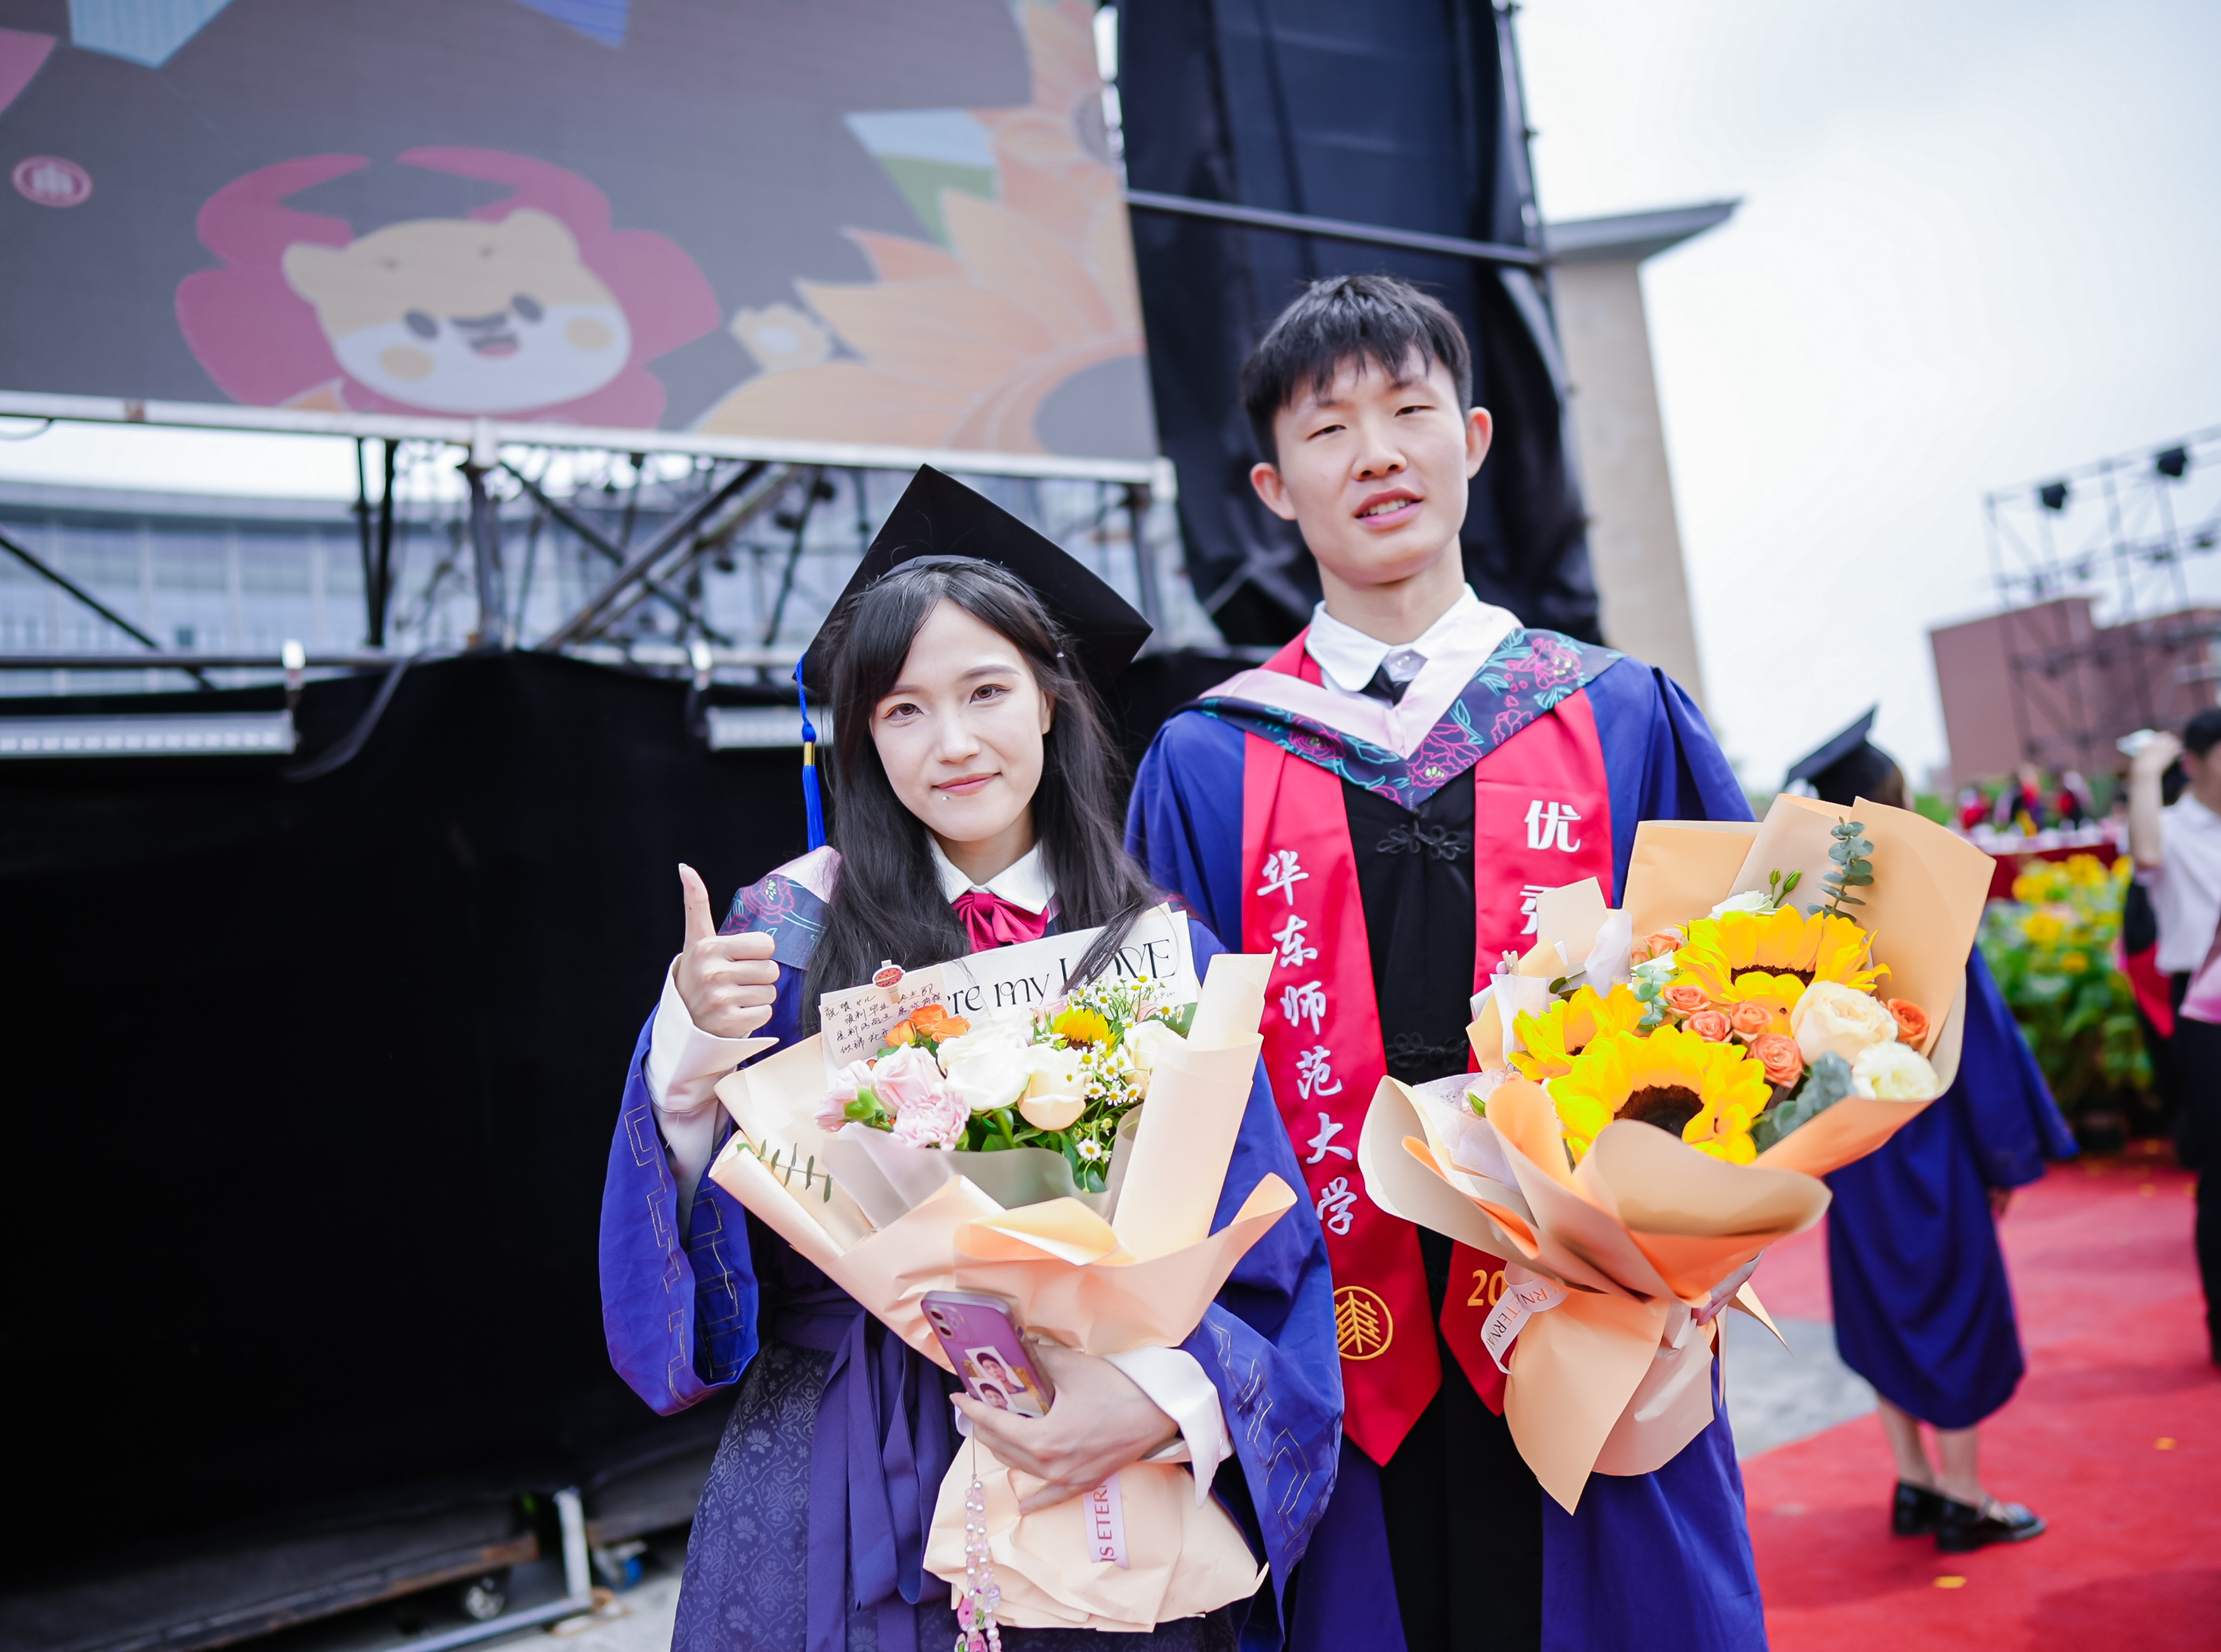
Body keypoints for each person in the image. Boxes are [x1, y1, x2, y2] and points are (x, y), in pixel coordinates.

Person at [598, 469, 1343, 1652]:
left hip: (1097, 1465)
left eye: (986, 691)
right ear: (860, 735)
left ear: (1050, 700)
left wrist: (1157, 1396)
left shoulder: (1161, 952)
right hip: (844, 1466)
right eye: (902, 709)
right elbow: (712, 1261)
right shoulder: (789, 934)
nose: (952, 743)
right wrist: (688, 1061)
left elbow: (1265, 1251)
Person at [1127, 275, 1763, 1652]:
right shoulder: (1210, 761)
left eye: (1410, 411)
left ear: (1472, 440)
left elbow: (1745, 1006)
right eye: (1328, 428)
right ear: (1272, 487)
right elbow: (1170, 1095)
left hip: (1595, 1321)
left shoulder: (1619, 713)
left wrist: (1696, 1231)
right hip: (1333, 1350)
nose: (1377, 454)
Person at [1786, 720, 2074, 1551]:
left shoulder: (1803, 911)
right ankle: (1963, 1494)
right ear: (1896, 800)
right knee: (1953, 1304)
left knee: (1881, 1307)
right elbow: (1980, 1041)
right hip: (1929, 1136)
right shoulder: (1931, 898)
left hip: (1851, 1145)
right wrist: (2003, 1153)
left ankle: (1913, 1478)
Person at [2127, 710, 2221, 1363]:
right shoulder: (2172, 826)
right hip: (2206, 1011)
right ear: (2194, 761)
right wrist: (2143, 772)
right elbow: (2146, 854)